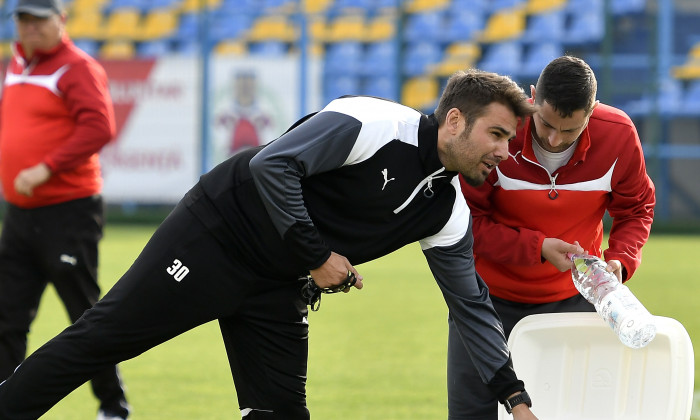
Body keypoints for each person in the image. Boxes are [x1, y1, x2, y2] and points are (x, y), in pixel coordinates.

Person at [0, 69, 539, 419]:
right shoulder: (373, 123)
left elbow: (470, 307)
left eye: (510, 142)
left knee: (281, 412)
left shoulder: (447, 209)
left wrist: (515, 398)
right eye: (496, 135)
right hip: (213, 238)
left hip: (278, 284)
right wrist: (319, 256)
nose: (503, 151)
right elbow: (272, 164)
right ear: (453, 120)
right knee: (97, 341)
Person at [454, 55, 656, 419]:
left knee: (569, 411)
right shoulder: (499, 130)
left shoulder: (618, 134)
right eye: (545, 123)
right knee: (473, 413)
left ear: (592, 111)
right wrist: (537, 247)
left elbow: (637, 208)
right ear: (532, 97)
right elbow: (468, 225)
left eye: (570, 131)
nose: (553, 138)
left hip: (573, 300)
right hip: (486, 300)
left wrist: (620, 262)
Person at [0, 0, 130, 419]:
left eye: (40, 20)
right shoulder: (17, 64)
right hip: (20, 215)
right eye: (24, 20)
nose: (31, 28)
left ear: (62, 21)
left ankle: (114, 406)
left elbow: (99, 126)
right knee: (6, 316)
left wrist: (45, 167)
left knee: (86, 317)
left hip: (68, 212)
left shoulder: (75, 66)